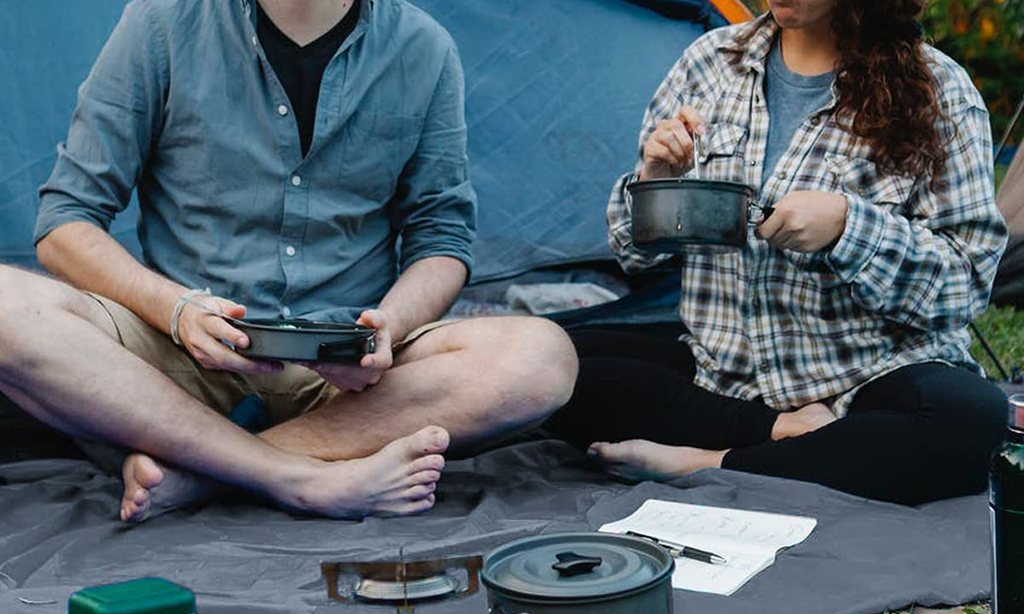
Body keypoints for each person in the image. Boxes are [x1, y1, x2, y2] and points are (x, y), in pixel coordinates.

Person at [0, 0, 577, 522]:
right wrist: (175, 309)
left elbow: (442, 240)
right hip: (177, 361)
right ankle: (294, 477)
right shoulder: (160, 23)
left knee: (541, 357)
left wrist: (387, 329)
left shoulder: (424, 48)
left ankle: (202, 473)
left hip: (348, 381)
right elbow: (64, 224)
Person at [546, 0, 1009, 505]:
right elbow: (635, 254)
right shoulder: (709, 62)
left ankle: (707, 462)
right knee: (553, 365)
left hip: (867, 378)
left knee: (972, 421)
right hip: (721, 375)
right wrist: (656, 182)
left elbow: (964, 283)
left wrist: (849, 230)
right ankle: (781, 435)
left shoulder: (938, 90)